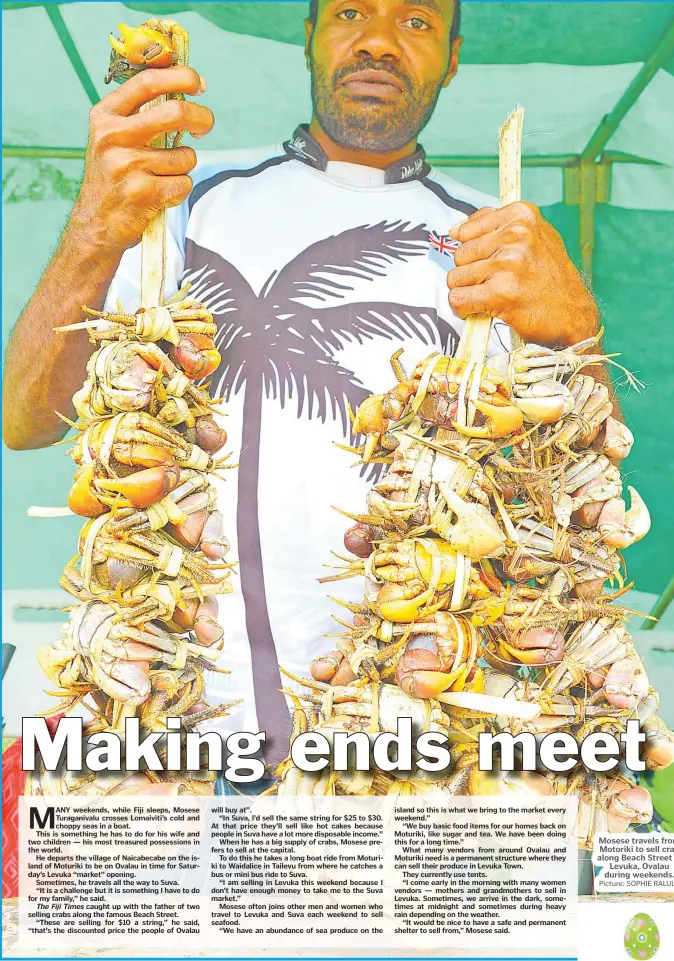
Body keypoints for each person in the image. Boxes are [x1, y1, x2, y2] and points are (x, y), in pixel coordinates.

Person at [3, 0, 604, 771]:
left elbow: (586, 486)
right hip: (178, 731)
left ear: (454, 58)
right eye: (350, 11)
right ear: (309, 38)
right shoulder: (180, 195)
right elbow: (28, 418)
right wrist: (94, 227)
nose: (379, 42)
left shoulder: (501, 234)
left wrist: (577, 327)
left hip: (405, 746)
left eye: (417, 22)